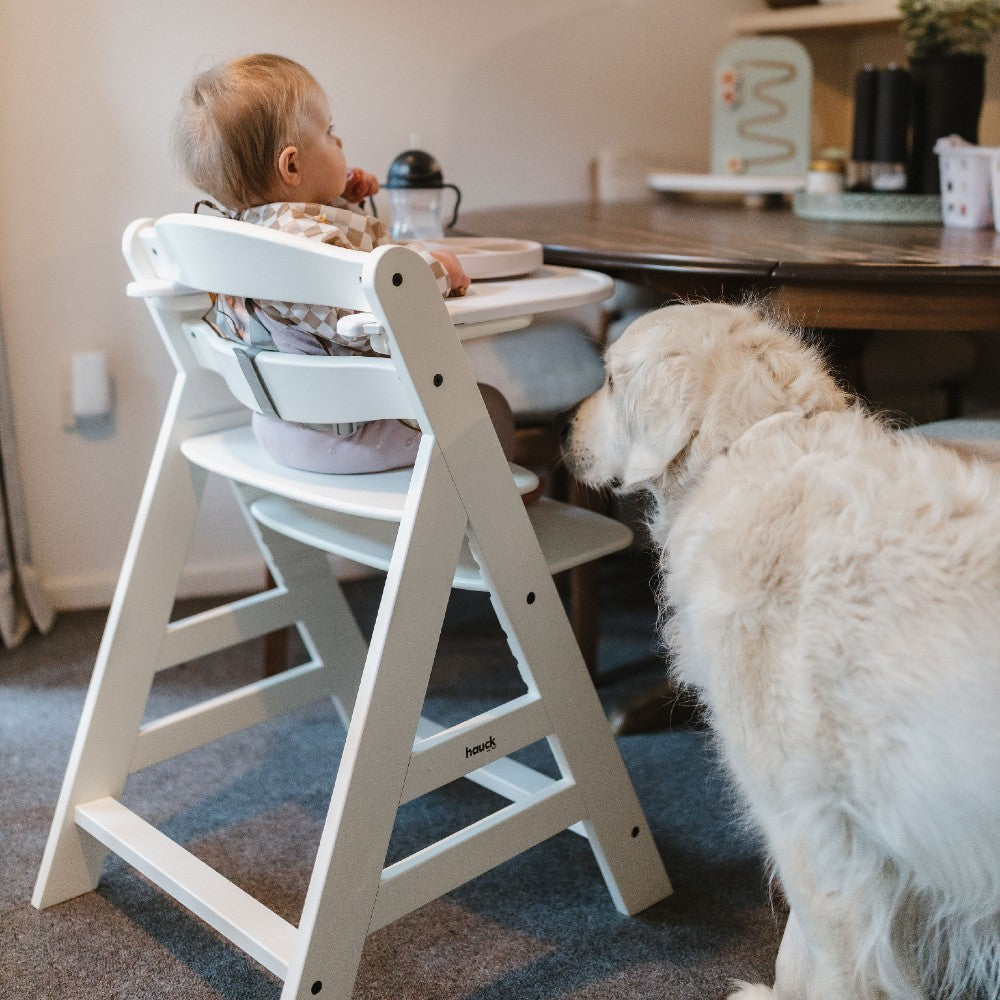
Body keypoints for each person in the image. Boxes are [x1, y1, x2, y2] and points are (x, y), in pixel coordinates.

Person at [172, 53, 516, 474]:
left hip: (278, 424)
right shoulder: (300, 247)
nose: (338, 142)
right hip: (346, 435)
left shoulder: (246, 238)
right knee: (487, 408)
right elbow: (370, 304)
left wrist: (339, 203)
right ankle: (489, 521)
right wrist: (437, 268)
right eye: (329, 132)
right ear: (293, 165)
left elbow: (313, 286)